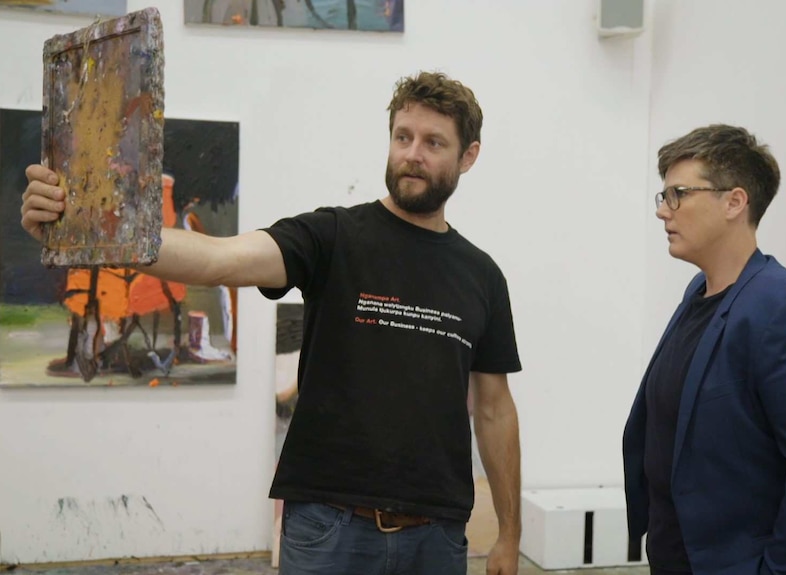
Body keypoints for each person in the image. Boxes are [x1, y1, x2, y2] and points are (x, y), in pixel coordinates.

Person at [21, 71, 523, 575]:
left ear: (468, 156)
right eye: (402, 137)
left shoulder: (481, 276)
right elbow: (219, 259)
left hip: (435, 539)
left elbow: (495, 410)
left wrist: (509, 533)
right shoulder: (333, 236)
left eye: (434, 142)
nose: (412, 153)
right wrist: (92, 227)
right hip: (330, 527)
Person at [623, 124, 786, 575]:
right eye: (663, 196)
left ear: (734, 202)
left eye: (678, 194)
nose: (663, 211)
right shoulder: (700, 292)